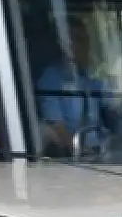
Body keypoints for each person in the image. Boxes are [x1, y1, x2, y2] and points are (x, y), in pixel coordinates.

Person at [36, 16, 113, 154]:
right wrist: (82, 152)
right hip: (77, 156)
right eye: (80, 40)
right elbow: (57, 128)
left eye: (87, 40)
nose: (87, 46)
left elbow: (110, 111)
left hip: (103, 150)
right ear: (66, 44)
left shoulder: (90, 78)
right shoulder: (51, 79)